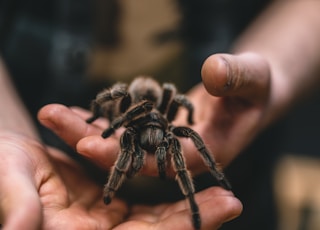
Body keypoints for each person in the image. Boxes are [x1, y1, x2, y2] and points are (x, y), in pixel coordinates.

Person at [1, 0, 320, 229]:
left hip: (247, 188)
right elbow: (123, 112)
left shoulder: (168, 128)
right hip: (58, 168)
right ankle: (110, 191)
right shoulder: (131, 119)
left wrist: (276, 71)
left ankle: (199, 197)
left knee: (188, 143)